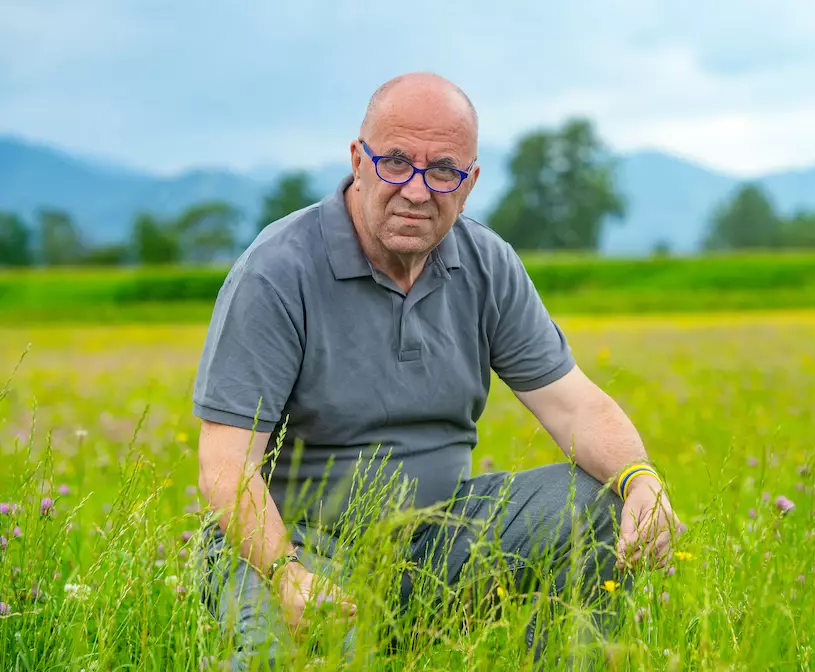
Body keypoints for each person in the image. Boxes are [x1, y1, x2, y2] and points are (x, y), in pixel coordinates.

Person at [192, 71, 683, 669]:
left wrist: (642, 480)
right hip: (297, 547)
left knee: (600, 506)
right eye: (396, 161)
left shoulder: (486, 263)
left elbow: (574, 404)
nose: (417, 191)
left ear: (470, 181)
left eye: (443, 170)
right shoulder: (278, 271)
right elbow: (225, 464)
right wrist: (288, 573)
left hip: (439, 539)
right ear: (358, 159)